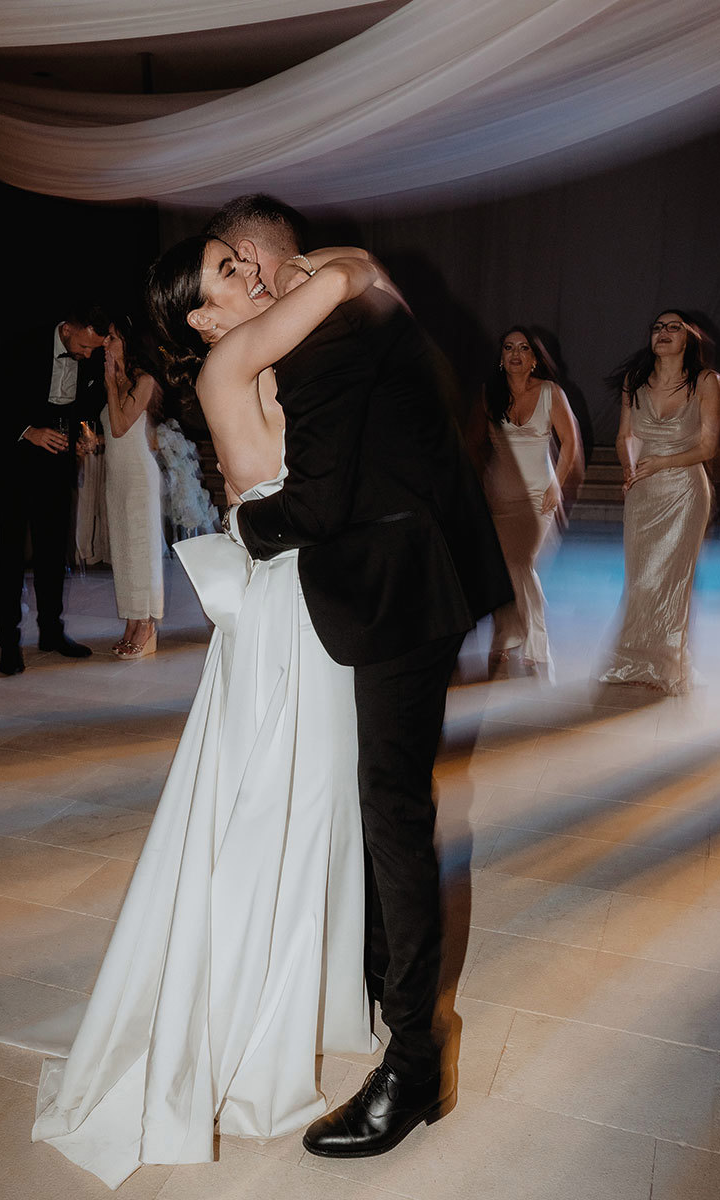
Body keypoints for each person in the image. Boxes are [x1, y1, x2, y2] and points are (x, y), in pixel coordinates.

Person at [16, 238, 386, 1184]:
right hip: (287, 613)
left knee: (309, 804)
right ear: (198, 316)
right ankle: (253, 1010)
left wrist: (292, 272)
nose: (255, 272)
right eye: (231, 269)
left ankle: (303, 990)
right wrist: (316, 275)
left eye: (243, 261)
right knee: (279, 809)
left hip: (296, 600)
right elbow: (353, 273)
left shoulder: (252, 353)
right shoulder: (235, 361)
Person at [205, 194, 511, 1158]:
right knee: (384, 800)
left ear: (262, 267)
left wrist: (241, 528)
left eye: (233, 272)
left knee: (392, 810)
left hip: (395, 594)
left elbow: (314, 507)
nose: (238, 296)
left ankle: (413, 1064)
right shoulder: (360, 293)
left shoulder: (323, 341)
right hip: (429, 576)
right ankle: (381, 988)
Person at [0, 305, 110, 675]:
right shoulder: (20, 344)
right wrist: (27, 430)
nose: (86, 355)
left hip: (56, 460)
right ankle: (9, 643)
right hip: (12, 456)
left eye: (93, 349)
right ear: (66, 329)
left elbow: (84, 403)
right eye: (83, 346)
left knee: (53, 550)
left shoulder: (89, 355)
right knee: (13, 552)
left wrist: (83, 432)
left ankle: (52, 631)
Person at [600, 310, 720, 694]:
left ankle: (665, 665)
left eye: (673, 328)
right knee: (641, 580)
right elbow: (624, 438)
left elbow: (707, 445)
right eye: (657, 327)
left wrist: (661, 463)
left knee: (673, 583)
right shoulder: (634, 382)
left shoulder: (705, 381)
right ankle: (634, 660)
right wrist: (630, 469)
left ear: (689, 340)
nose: (663, 333)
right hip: (644, 492)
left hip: (685, 492)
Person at [470, 326, 581, 679]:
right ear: (501, 358)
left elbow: (571, 444)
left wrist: (557, 485)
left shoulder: (551, 393)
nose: (515, 354)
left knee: (521, 564)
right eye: (508, 348)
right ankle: (506, 634)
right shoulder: (488, 395)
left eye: (523, 349)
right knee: (504, 568)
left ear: (534, 359)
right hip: (498, 498)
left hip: (538, 497)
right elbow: (471, 444)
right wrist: (477, 487)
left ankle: (536, 642)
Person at [102, 319, 164, 659]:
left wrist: (111, 384)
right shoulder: (117, 381)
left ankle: (147, 625)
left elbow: (121, 425)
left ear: (128, 342)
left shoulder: (144, 381)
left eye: (111, 338)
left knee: (141, 549)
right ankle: (130, 619)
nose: (105, 343)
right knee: (123, 551)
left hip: (140, 476)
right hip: (117, 476)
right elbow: (109, 434)